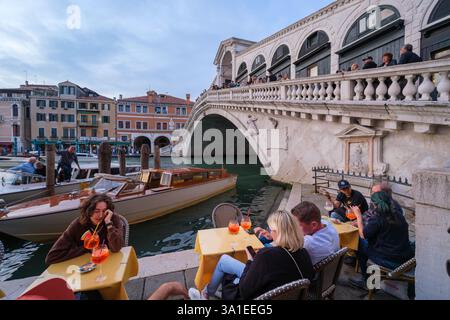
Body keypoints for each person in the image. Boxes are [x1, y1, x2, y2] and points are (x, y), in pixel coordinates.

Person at [189, 210, 314, 300]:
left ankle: (206, 294)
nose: (270, 231)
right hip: (280, 288)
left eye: (271, 229)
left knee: (226, 264)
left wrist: (250, 261)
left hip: (261, 294)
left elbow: (245, 290)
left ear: (277, 232)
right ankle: (206, 293)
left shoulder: (266, 255)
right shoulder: (304, 254)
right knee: (225, 260)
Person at [349, 191, 414, 290]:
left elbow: (363, 235)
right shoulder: (398, 214)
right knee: (368, 242)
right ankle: (371, 277)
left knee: (358, 241)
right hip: (405, 257)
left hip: (389, 260)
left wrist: (358, 216)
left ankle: (367, 281)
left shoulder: (378, 218)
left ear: (374, 204)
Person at [45, 194, 124, 265]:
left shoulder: (112, 219)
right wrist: (85, 249)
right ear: (88, 210)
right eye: (96, 211)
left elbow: (116, 248)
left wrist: (109, 224)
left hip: (111, 264)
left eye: (104, 211)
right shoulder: (78, 224)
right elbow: (52, 257)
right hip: (86, 267)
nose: (100, 215)